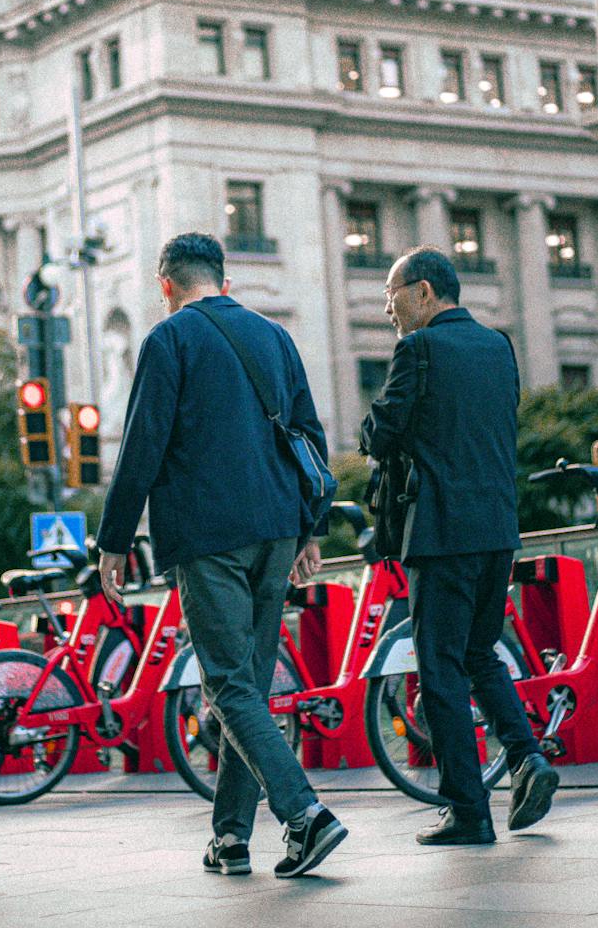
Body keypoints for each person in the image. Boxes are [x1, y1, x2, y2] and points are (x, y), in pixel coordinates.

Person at [96, 232, 348, 879]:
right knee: (249, 687)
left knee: (228, 685)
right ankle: (231, 837)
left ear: (166, 285)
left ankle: (305, 814)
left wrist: (116, 540)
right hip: (278, 531)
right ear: (223, 279)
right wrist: (311, 530)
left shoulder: (170, 339)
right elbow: (309, 435)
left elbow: (144, 443)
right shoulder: (273, 337)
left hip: (210, 536)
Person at [361, 246, 560, 845]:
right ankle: (528, 758)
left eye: (392, 294)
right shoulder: (499, 347)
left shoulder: (418, 349)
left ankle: (468, 811)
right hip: (497, 529)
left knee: (441, 668)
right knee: (478, 654)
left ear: (424, 292)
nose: (387, 308)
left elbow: (379, 433)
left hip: (441, 533)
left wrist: (380, 430)